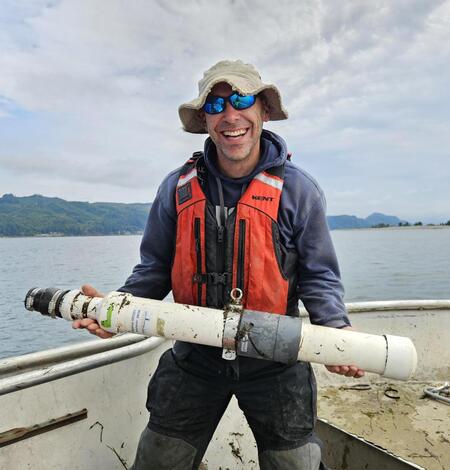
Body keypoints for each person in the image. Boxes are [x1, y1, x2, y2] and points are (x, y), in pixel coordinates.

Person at [73, 60, 364, 470]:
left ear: (262, 109)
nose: (230, 115)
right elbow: (154, 268)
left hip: (275, 362)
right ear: (205, 119)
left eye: (242, 99)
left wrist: (336, 331)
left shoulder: (299, 190)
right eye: (216, 104)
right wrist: (116, 309)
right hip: (194, 357)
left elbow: (319, 276)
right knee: (159, 460)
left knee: (295, 464)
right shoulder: (176, 187)